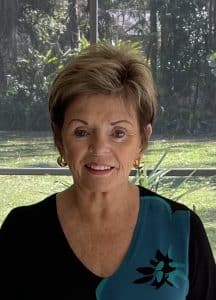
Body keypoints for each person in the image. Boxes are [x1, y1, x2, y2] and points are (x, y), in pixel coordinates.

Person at [0, 42, 215, 300]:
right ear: (59, 139)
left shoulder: (181, 229)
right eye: (81, 132)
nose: (99, 148)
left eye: (119, 133)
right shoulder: (23, 231)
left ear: (142, 141)